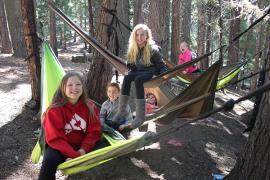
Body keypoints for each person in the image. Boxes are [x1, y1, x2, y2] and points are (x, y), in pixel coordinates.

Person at [39, 72, 101, 180]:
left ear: (83, 87)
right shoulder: (55, 110)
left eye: (78, 84)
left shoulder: (90, 107)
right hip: (60, 147)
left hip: (83, 146)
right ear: (63, 87)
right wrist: (73, 155)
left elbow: (94, 132)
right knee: (49, 160)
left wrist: (83, 150)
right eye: (70, 85)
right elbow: (56, 138)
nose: (74, 88)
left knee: (106, 147)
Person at [113, 24, 167, 131]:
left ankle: (140, 116)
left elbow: (162, 66)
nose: (139, 37)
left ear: (147, 36)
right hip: (139, 72)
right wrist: (129, 69)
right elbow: (132, 66)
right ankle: (122, 111)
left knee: (138, 80)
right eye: (137, 35)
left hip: (151, 72)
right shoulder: (134, 49)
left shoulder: (153, 49)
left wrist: (161, 77)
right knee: (127, 78)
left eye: (142, 35)